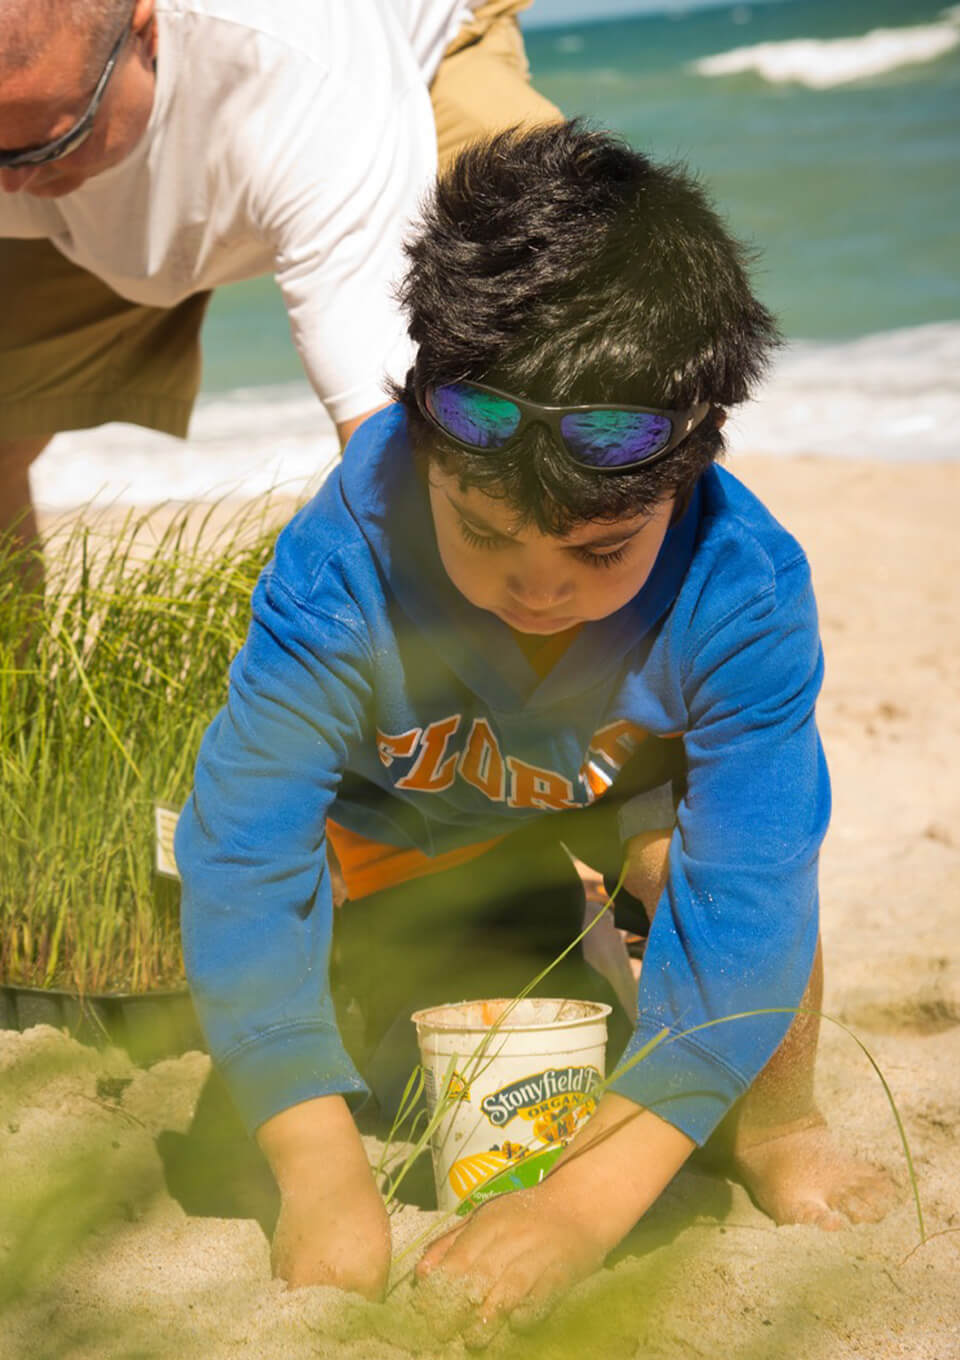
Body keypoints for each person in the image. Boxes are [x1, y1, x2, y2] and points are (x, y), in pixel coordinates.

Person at [171, 122, 895, 1339]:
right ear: (425, 444)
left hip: (616, 798)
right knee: (416, 1086)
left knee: (706, 881)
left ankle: (780, 1131)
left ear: (692, 469)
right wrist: (315, 1166)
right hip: (403, 818)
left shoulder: (744, 586)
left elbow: (752, 895)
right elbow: (243, 851)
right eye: (485, 533)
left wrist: (575, 1214)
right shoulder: (345, 553)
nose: (539, 588)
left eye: (598, 552)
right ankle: (557, 932)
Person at [0, 0, 563, 898]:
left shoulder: (303, 63)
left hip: (411, 52)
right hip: (97, 152)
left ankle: (610, 805)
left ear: (145, 26)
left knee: (554, 382)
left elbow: (392, 454)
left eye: (44, 142)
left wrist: (450, 780)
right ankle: (16, 791)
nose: (9, 183)